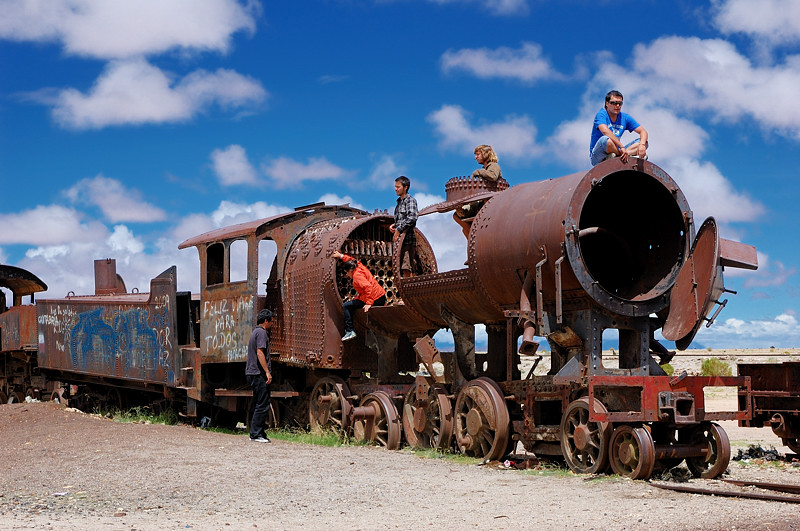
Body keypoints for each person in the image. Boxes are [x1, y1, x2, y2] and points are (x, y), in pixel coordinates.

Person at [332, 251, 387, 341]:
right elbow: (352, 260)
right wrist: (341, 256)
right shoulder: (359, 266)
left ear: (350, 270)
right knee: (353, 302)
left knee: (346, 306)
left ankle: (350, 331)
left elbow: (368, 287)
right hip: (380, 295)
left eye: (346, 272)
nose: (346, 275)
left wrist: (369, 303)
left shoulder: (357, 276)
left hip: (375, 298)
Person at [589, 90, 649, 167]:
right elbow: (605, 131)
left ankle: (619, 157)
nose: (617, 106)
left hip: (616, 151)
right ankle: (626, 155)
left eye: (620, 103)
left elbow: (643, 131)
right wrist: (621, 147)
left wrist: (642, 145)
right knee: (606, 140)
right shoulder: (601, 114)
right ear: (607, 103)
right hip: (599, 155)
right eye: (614, 103)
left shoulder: (625, 117)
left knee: (644, 142)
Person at [245, 308, 274, 443]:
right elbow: (260, 353)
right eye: (271, 321)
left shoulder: (255, 332)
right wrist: (267, 372)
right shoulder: (262, 333)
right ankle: (255, 434)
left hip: (252, 372)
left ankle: (259, 432)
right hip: (258, 373)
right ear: (266, 321)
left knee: (259, 403)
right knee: (262, 404)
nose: (272, 324)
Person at [389, 176, 418, 278]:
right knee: (401, 267)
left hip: (408, 240)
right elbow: (402, 219)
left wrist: (399, 229)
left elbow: (412, 217)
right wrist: (394, 225)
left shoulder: (410, 200)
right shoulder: (399, 202)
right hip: (400, 242)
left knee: (406, 268)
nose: (395, 189)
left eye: (398, 187)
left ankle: (411, 292)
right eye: (395, 187)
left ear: (405, 187)